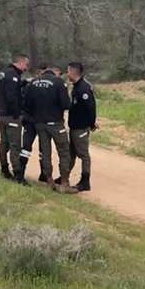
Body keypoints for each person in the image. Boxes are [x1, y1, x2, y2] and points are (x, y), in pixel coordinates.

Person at [24, 64, 78, 194]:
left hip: (39, 123)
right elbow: (66, 104)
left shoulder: (33, 83)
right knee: (64, 151)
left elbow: (27, 104)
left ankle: (49, 180)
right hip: (55, 123)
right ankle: (64, 182)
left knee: (45, 152)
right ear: (56, 72)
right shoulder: (58, 82)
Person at [0, 54, 29, 180]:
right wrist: (17, 114)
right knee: (15, 145)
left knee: (4, 143)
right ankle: (18, 175)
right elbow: (12, 97)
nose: (26, 67)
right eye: (26, 64)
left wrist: (24, 82)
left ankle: (4, 170)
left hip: (1, 114)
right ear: (20, 62)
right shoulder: (13, 76)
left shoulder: (3, 73)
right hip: (10, 116)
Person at [66, 62, 97, 192]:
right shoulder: (77, 87)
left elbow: (90, 108)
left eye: (68, 71)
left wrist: (91, 123)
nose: (67, 73)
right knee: (71, 153)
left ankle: (85, 181)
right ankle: (64, 177)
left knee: (83, 154)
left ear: (73, 72)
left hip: (81, 127)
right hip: (74, 127)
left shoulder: (84, 88)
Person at [19, 65, 47, 184]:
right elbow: (22, 100)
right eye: (41, 74)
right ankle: (20, 174)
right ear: (36, 73)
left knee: (43, 148)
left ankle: (44, 174)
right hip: (30, 121)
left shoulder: (48, 86)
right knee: (26, 147)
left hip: (43, 121)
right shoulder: (28, 84)